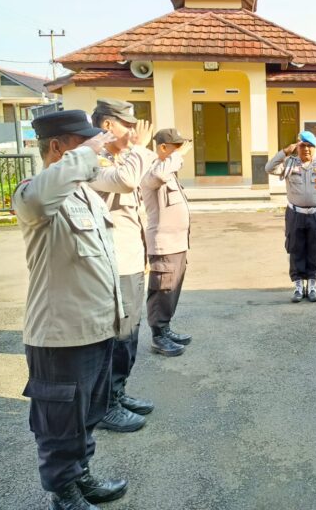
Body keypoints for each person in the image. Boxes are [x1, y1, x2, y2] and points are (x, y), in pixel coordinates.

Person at [13, 110, 129, 510]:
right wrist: (86, 155)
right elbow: (38, 200)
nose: (95, 148)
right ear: (58, 147)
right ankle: (63, 493)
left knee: (87, 416)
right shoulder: (34, 192)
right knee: (60, 426)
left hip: (96, 329)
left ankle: (81, 477)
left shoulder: (84, 194)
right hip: (60, 336)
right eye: (84, 142)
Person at [89, 99, 156, 433]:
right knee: (116, 337)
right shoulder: (92, 160)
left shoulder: (120, 159)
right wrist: (139, 148)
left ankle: (117, 393)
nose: (133, 131)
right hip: (112, 264)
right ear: (107, 126)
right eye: (127, 124)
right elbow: (127, 182)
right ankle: (105, 406)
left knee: (128, 335)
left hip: (130, 259)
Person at [265, 130, 316, 302]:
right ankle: (298, 286)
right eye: (303, 145)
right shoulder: (289, 164)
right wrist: (284, 152)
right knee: (295, 249)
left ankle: (312, 286)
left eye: (310, 146)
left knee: (315, 249)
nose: (306, 149)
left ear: (314, 148)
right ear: (297, 146)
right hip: (295, 214)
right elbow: (269, 168)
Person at [141, 129, 194, 357]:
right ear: (163, 148)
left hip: (177, 242)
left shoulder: (169, 170)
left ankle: (166, 327)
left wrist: (175, 156)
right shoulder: (154, 169)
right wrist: (177, 156)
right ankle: (158, 335)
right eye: (176, 147)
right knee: (162, 289)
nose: (180, 152)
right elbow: (158, 176)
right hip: (163, 244)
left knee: (172, 289)